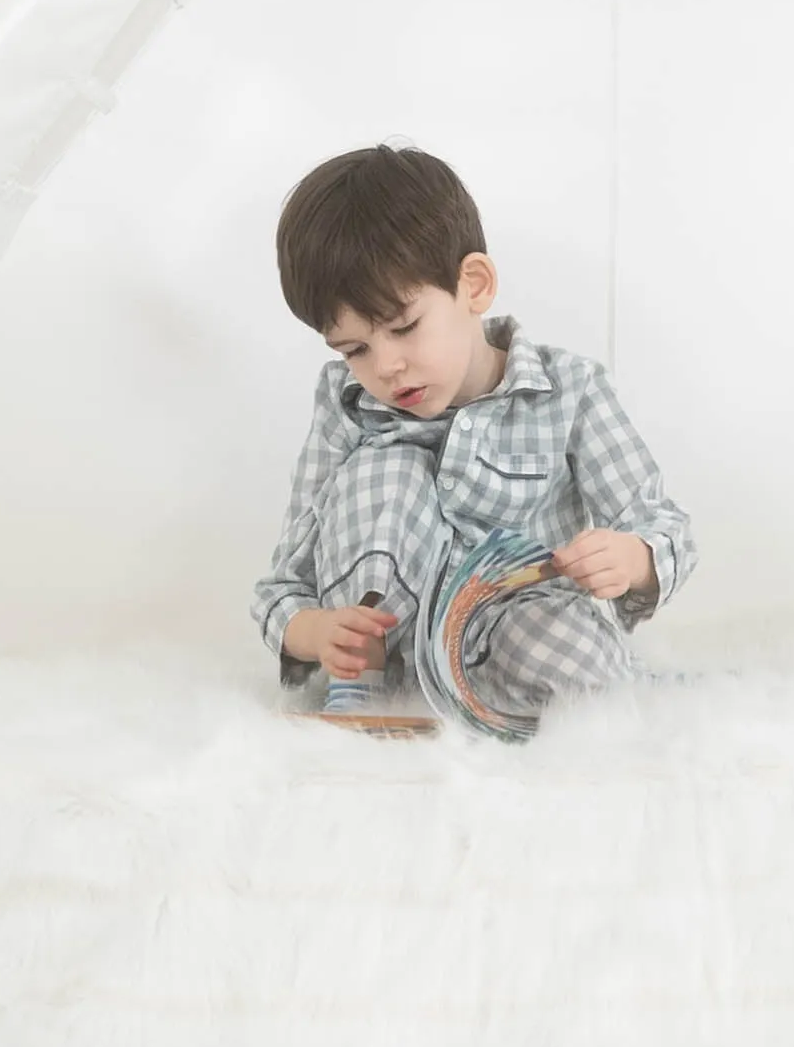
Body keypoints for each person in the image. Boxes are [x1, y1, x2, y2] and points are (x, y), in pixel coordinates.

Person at [251, 143, 695, 736]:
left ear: (475, 286)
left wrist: (632, 559)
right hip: (392, 661)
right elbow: (285, 579)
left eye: (404, 328)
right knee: (384, 469)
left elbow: (663, 526)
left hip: (515, 632)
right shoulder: (346, 407)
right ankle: (362, 691)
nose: (386, 367)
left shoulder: (571, 390)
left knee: (580, 664)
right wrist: (315, 631)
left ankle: (584, 700)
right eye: (354, 349)